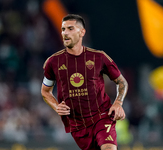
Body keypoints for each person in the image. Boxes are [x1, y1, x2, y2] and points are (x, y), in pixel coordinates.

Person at [41, 14, 128, 150]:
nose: (65, 33)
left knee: (108, 148)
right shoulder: (53, 62)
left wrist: (118, 103)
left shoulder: (99, 57)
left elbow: (122, 82)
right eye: (63, 29)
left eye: (70, 28)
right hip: (77, 124)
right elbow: (45, 91)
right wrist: (56, 106)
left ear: (82, 32)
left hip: (102, 116)